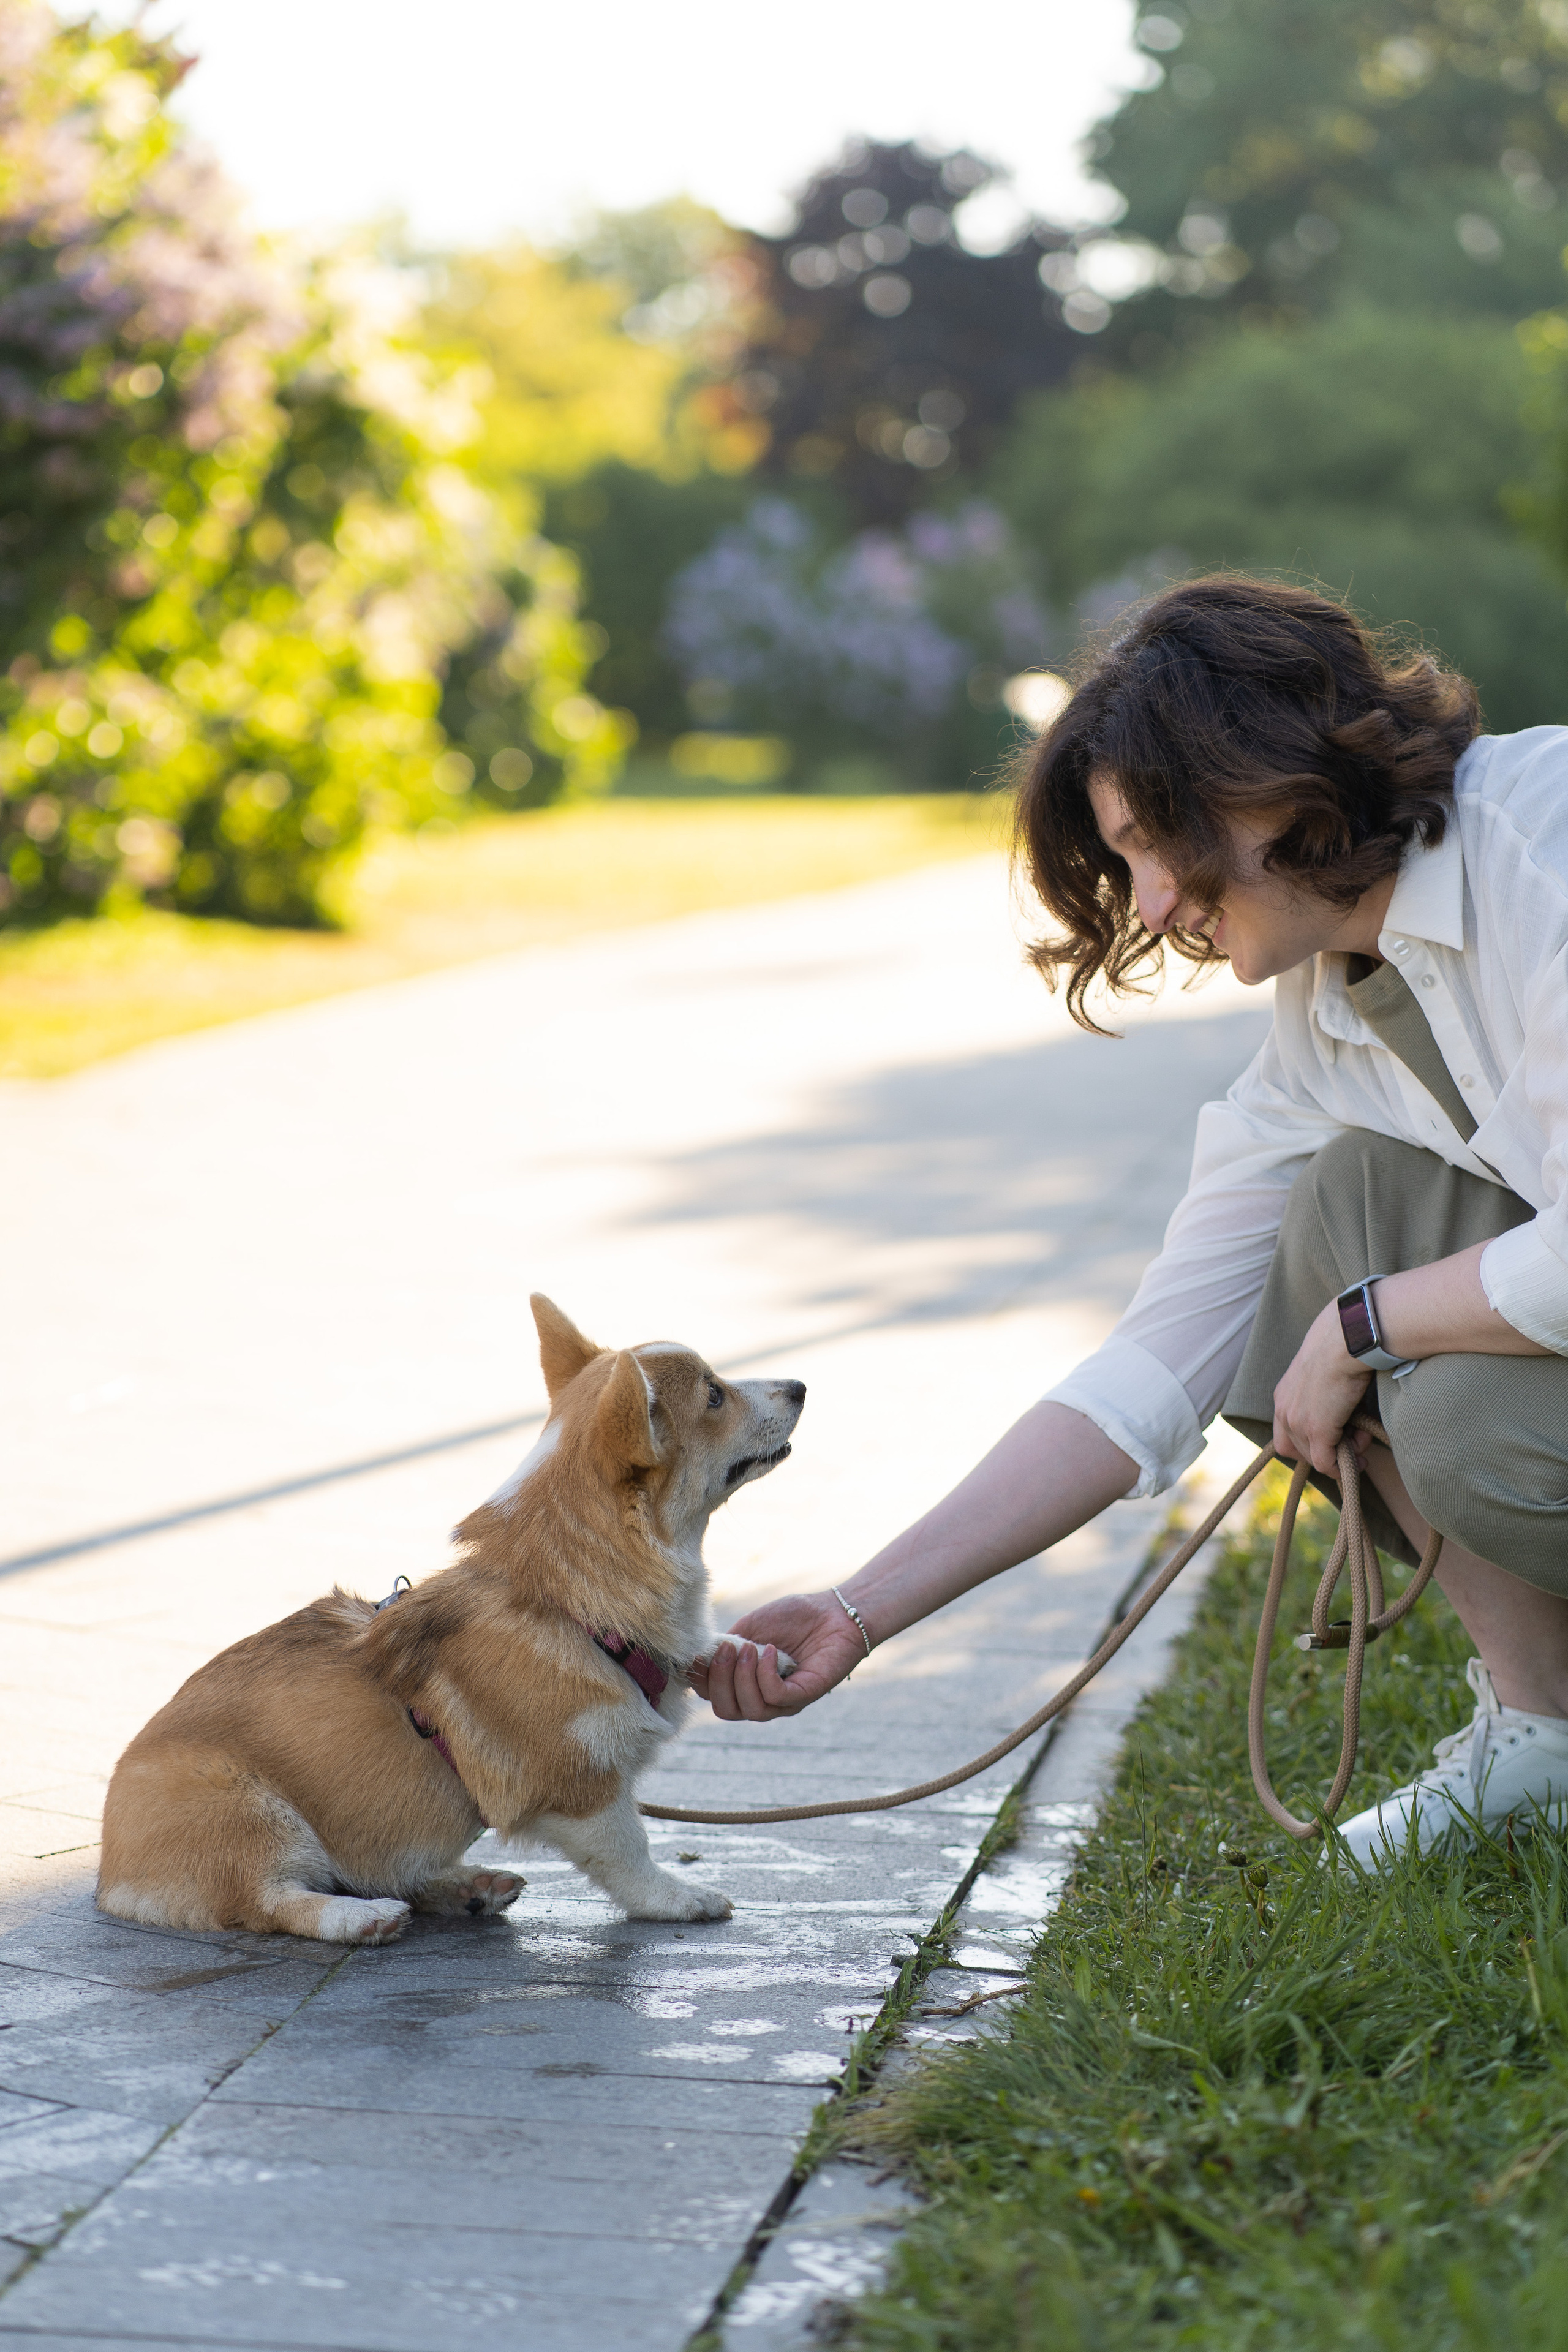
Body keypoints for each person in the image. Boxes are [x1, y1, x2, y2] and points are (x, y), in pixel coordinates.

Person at [687, 576, 1568, 1866]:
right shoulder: (1326, 1015)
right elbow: (1150, 1371)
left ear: (1268, 773)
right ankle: (1543, 1737)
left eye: (1152, 843)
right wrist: (859, 1611)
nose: (1147, 904)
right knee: (1328, 1224)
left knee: (1443, 1405)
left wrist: (1364, 1322)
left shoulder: (1539, 850)